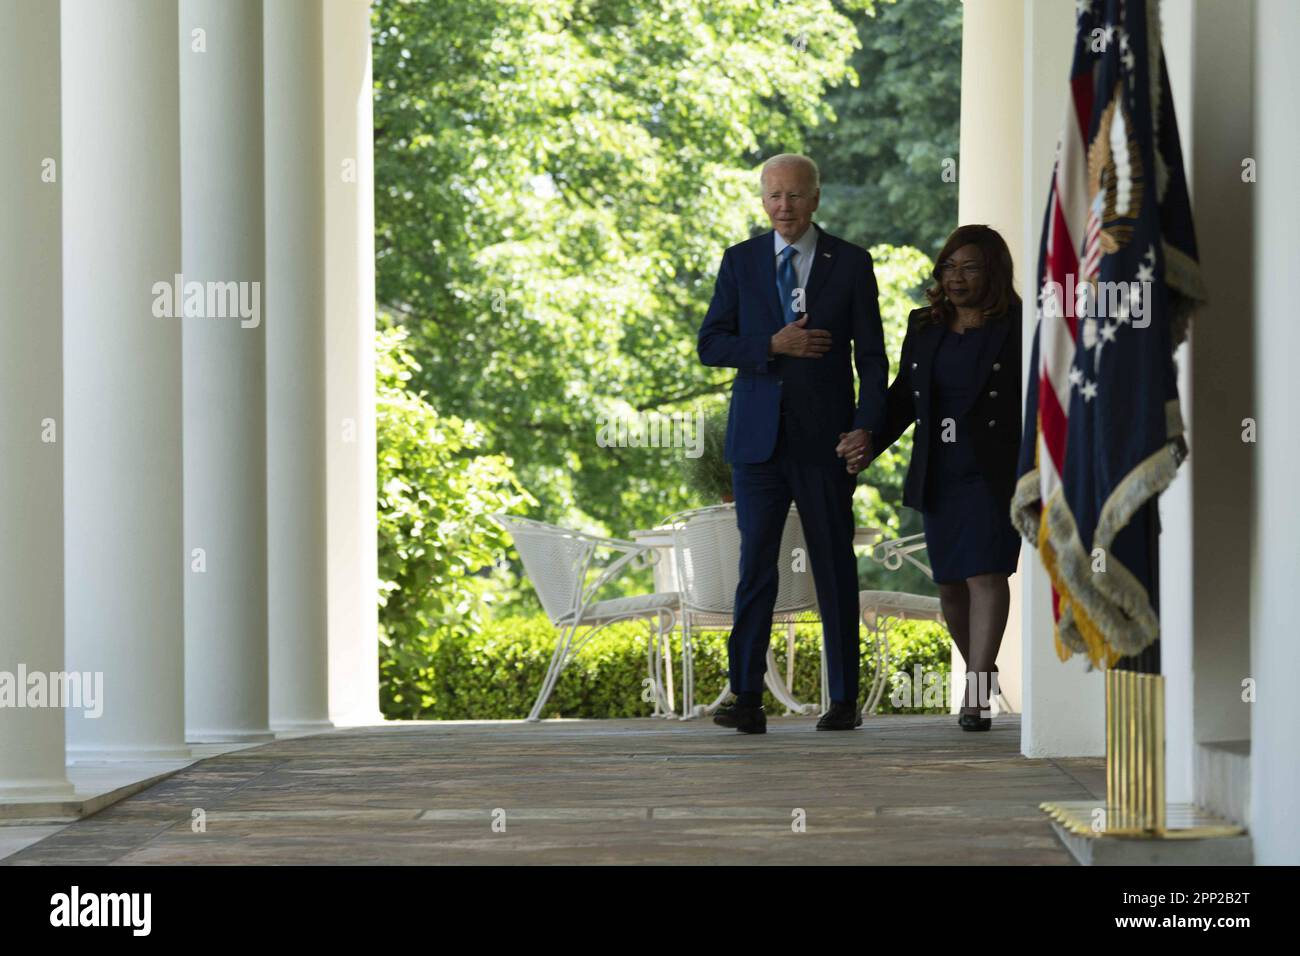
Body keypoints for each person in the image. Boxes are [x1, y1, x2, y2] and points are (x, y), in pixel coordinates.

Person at [697, 153, 888, 734]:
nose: (784, 206)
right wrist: (771, 344)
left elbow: (874, 360)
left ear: (816, 198)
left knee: (833, 566)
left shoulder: (851, 264)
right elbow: (711, 344)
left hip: (826, 441)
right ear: (762, 198)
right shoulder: (741, 261)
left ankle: (844, 700)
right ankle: (747, 698)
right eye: (774, 195)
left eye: (796, 196)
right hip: (756, 444)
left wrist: (866, 427)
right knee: (756, 567)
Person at [864, 224, 1022, 731]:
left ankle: (974, 695)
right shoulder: (925, 324)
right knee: (950, 585)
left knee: (985, 574)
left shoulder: (1021, 324)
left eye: (970, 267)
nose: (956, 277)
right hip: (940, 468)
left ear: (993, 271)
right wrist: (865, 441)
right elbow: (903, 399)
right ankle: (984, 670)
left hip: (995, 470)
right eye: (948, 267)